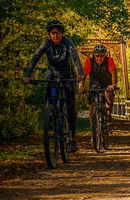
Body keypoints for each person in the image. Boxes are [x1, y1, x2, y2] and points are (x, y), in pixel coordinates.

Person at [23, 20, 85, 153]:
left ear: (62, 34)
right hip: (52, 75)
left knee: (70, 105)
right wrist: (28, 73)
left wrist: (80, 74)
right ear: (49, 34)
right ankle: (50, 118)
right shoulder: (47, 42)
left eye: (58, 33)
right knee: (49, 98)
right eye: (53, 33)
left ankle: (72, 138)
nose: (55, 35)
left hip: (67, 75)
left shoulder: (67, 42)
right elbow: (36, 57)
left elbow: (75, 58)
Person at [79, 44, 117, 125]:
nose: (99, 58)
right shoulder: (89, 61)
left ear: (105, 55)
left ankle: (108, 116)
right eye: (97, 56)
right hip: (94, 85)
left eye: (101, 56)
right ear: (94, 55)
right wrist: (81, 85)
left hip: (107, 84)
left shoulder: (109, 60)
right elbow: (84, 75)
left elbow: (113, 72)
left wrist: (113, 85)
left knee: (108, 95)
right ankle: (94, 130)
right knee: (92, 106)